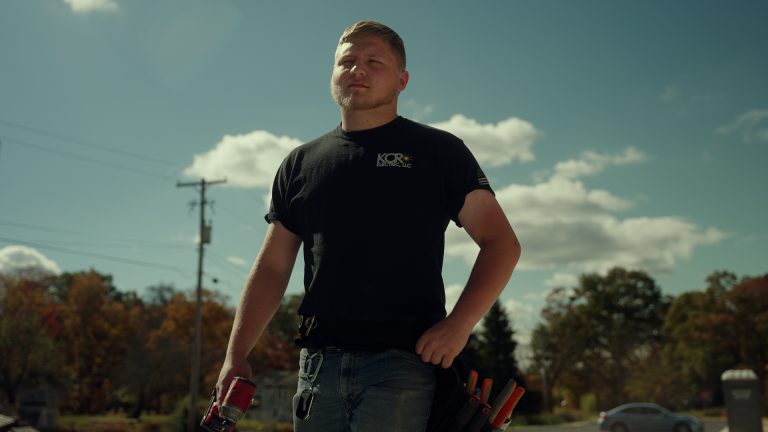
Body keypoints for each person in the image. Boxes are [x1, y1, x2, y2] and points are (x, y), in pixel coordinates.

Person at [215, 20, 521, 432]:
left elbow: (501, 242)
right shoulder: (299, 164)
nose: (358, 69)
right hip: (317, 369)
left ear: (402, 79)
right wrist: (236, 353)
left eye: (374, 61)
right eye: (348, 61)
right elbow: (272, 268)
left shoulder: (439, 151)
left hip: (403, 363)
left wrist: (459, 325)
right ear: (333, 76)